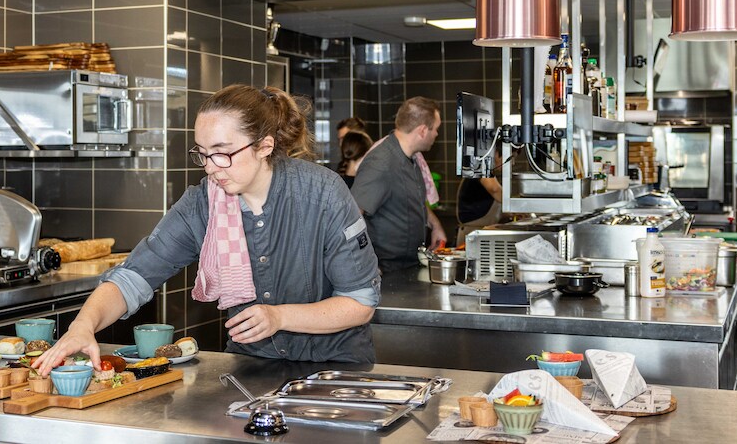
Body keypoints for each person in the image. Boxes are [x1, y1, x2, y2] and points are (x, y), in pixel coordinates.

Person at [35, 85, 381, 374]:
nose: (211, 168)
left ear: (264, 146)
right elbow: (134, 277)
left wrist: (279, 316)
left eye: (222, 153)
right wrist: (83, 326)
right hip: (251, 367)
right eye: (202, 154)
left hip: (336, 367)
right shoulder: (204, 202)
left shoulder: (323, 193)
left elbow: (359, 302)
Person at [350, 97, 447, 272]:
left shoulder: (412, 157)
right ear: (423, 131)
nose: (437, 135)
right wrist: (365, 266)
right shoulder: (381, 162)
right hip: (386, 270)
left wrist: (435, 224)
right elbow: (352, 216)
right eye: (436, 129)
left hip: (408, 266)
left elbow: (411, 197)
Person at [457, 152, 504, 243]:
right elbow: (495, 189)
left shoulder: (488, 171)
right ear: (497, 154)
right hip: (473, 234)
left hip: (482, 232)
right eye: (511, 157)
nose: (512, 163)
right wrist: (516, 206)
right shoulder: (480, 167)